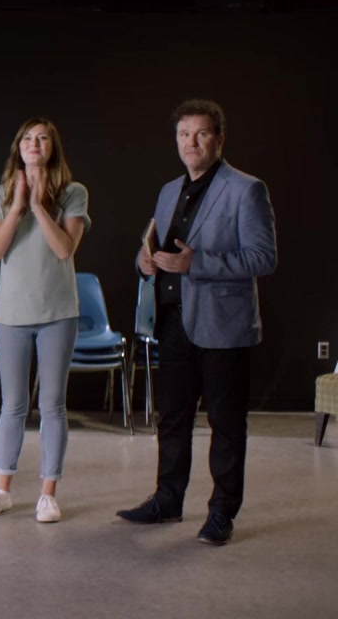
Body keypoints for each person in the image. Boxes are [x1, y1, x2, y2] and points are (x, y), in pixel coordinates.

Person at [116, 99, 276, 546]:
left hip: (224, 326)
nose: (192, 142)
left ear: (219, 139)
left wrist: (196, 264)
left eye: (201, 133)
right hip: (173, 322)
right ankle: (167, 500)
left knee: (226, 425)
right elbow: (156, 247)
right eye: (184, 134)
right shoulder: (169, 190)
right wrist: (145, 262)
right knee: (172, 419)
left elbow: (264, 258)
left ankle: (222, 512)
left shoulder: (247, 189)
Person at [0, 118, 90, 523]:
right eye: (28, 137)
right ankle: (3, 491)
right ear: (18, 148)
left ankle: (48, 495)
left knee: (52, 405)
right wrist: (19, 206)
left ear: (52, 147)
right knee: (12, 406)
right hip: (12, 315)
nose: (35, 143)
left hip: (58, 314)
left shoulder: (73, 193)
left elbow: (64, 249)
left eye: (42, 138)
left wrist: (39, 206)